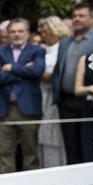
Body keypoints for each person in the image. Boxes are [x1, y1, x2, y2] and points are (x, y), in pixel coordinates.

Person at [0, 18, 45, 173]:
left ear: (27, 33)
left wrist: (11, 68)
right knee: (6, 153)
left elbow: (37, 72)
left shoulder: (37, 50)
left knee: (30, 154)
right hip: (4, 109)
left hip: (28, 108)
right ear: (8, 34)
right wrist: (22, 70)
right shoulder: (0, 52)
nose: (16, 34)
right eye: (13, 31)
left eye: (20, 31)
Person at [54, 2, 93, 164]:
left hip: (88, 100)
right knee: (70, 147)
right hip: (66, 101)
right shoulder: (65, 42)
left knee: (88, 145)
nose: (76, 19)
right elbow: (59, 69)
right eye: (74, 16)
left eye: (81, 16)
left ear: (92, 18)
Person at [37, 16, 70, 168]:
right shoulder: (43, 50)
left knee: (54, 137)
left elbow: (54, 75)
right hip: (41, 97)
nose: (43, 35)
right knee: (43, 137)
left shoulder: (63, 49)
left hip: (54, 98)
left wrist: (34, 72)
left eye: (46, 31)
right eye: (41, 32)